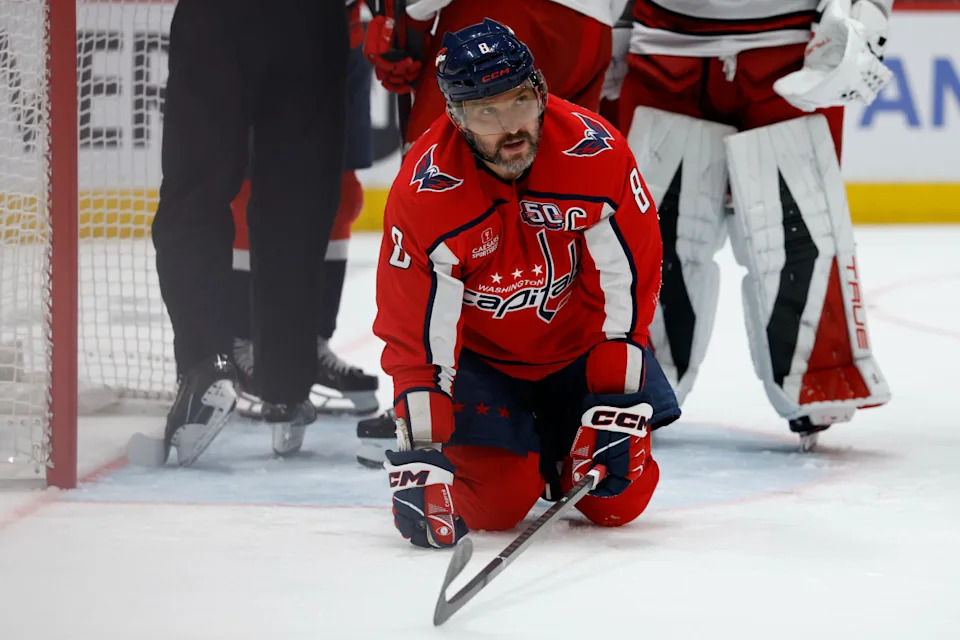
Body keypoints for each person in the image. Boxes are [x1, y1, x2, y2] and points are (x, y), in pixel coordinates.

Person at [374, 19, 680, 549]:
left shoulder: (595, 153)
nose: (509, 125)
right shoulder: (424, 192)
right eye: (484, 111)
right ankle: (527, 456)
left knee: (618, 499)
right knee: (495, 505)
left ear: (540, 91)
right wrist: (420, 453)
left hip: (580, 353)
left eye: (518, 101)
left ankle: (557, 456)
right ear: (455, 116)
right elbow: (415, 336)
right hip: (483, 363)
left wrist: (617, 402)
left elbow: (631, 287)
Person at [356, 0, 632, 464]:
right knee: (563, 206)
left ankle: (438, 403)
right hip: (592, 27)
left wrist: (411, 22)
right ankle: (591, 397)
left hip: (501, 13)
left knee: (443, 178)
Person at [609, 0, 893, 447]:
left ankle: (817, 376)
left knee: (800, 225)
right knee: (650, 233)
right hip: (666, 40)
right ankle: (636, 378)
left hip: (793, 47)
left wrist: (868, 17)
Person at [151, 0, 349, 465]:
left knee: (195, 190)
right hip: (311, 21)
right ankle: (286, 383)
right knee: (298, 198)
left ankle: (205, 364)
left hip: (221, 15)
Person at [229, 44, 379, 419]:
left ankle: (312, 342)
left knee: (341, 192)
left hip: (344, 34)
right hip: (268, 30)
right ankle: (244, 345)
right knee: (252, 186)